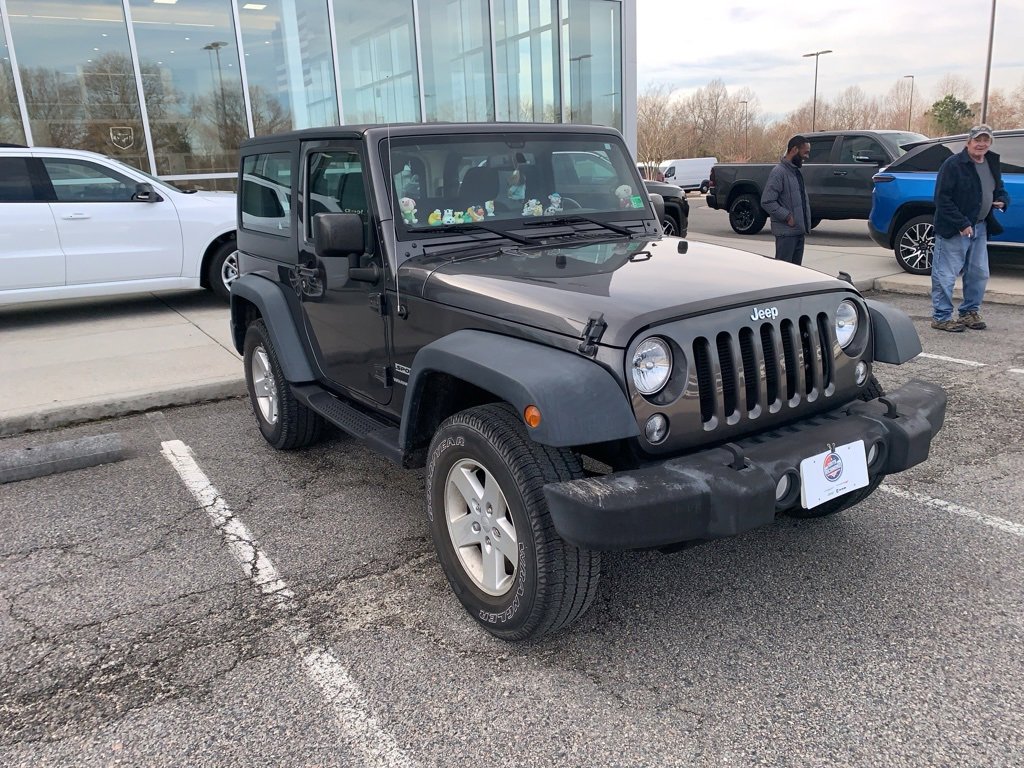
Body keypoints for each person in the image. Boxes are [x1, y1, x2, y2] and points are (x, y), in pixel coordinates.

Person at [930, 124, 1010, 332]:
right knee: (945, 274)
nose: (981, 144)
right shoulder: (954, 165)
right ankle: (942, 316)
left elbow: (999, 188)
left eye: (986, 140)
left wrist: (1002, 199)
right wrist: (962, 223)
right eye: (978, 140)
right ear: (968, 142)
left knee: (979, 273)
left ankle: (968, 313)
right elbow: (942, 199)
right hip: (955, 229)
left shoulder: (991, 161)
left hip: (981, 227)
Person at [761, 135, 812, 265]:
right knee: (783, 274)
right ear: (794, 150)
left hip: (798, 232)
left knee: (795, 275)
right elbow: (767, 201)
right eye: (805, 152)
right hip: (786, 234)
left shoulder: (795, 172)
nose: (807, 156)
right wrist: (787, 216)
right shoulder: (779, 172)